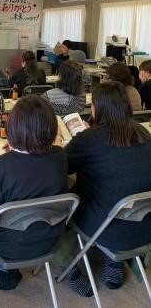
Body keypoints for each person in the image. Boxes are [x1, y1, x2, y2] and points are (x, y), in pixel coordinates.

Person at [0, 95, 68, 290]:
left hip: (6, 245)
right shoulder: (60, 157)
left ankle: (6, 271)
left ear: (13, 129)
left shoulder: (1, 167)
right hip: (50, 238)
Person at [65, 81, 151, 295]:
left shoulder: (89, 138)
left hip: (105, 229)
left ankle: (70, 269)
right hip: (145, 229)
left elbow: (63, 167)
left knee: (59, 197)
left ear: (97, 108)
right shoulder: (143, 132)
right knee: (118, 189)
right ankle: (115, 263)